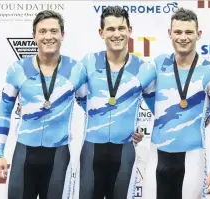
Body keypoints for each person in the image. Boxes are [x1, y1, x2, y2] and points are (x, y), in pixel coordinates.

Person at [0, 10, 87, 199]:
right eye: (42, 31)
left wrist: (126, 131)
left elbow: (91, 109)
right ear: (34, 36)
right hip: (24, 155)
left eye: (53, 31)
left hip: (59, 156)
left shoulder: (76, 70)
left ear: (62, 35)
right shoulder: (17, 69)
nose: (48, 36)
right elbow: (3, 112)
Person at [142, 8, 210, 199]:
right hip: (157, 157)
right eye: (178, 32)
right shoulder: (158, 64)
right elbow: (133, 89)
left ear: (198, 35)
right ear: (169, 34)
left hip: (192, 159)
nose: (183, 37)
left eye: (189, 32)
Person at [73, 6, 155, 199]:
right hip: (92, 150)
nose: (116, 34)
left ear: (130, 30)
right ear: (101, 33)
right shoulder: (88, 62)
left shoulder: (144, 69)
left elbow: (159, 109)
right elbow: (67, 93)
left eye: (121, 28)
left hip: (124, 151)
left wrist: (141, 128)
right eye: (110, 29)